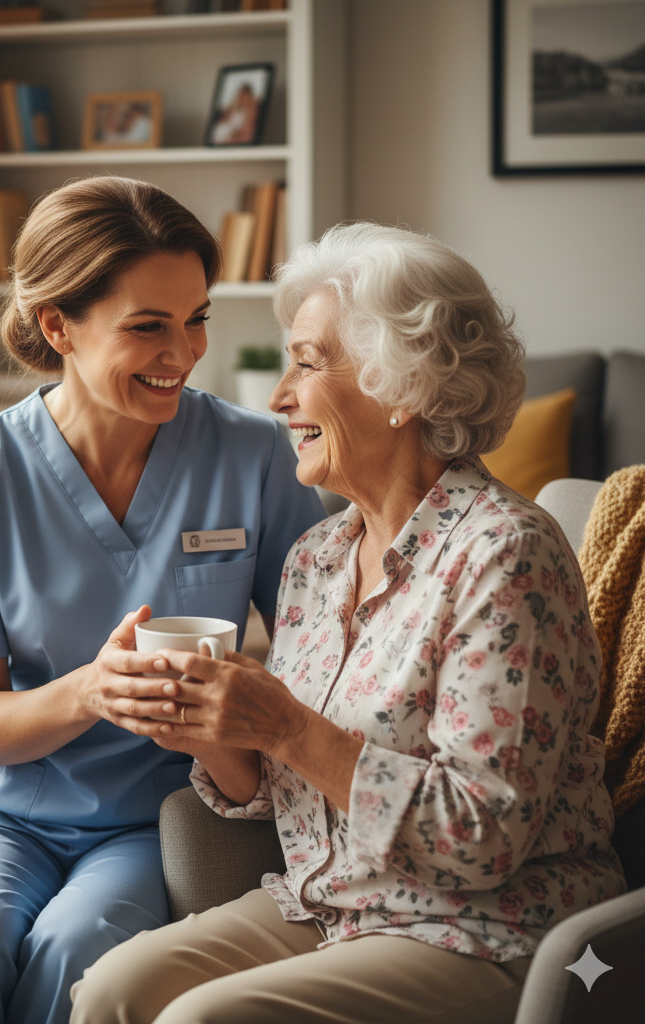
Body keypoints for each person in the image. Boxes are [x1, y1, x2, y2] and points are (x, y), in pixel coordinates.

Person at [70, 221, 628, 1024]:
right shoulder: (317, 558)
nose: (277, 395)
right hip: (328, 908)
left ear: (404, 387)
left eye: (306, 361)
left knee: (201, 1020)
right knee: (113, 990)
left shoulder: (505, 555)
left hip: (484, 927)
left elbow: (483, 836)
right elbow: (283, 794)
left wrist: (288, 727)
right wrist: (207, 730)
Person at [0, 176, 326, 1024]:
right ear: (58, 325)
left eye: (196, 317)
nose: (185, 352)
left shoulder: (255, 456)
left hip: (151, 814)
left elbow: (319, 657)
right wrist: (93, 689)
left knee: (76, 949)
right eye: (148, 327)